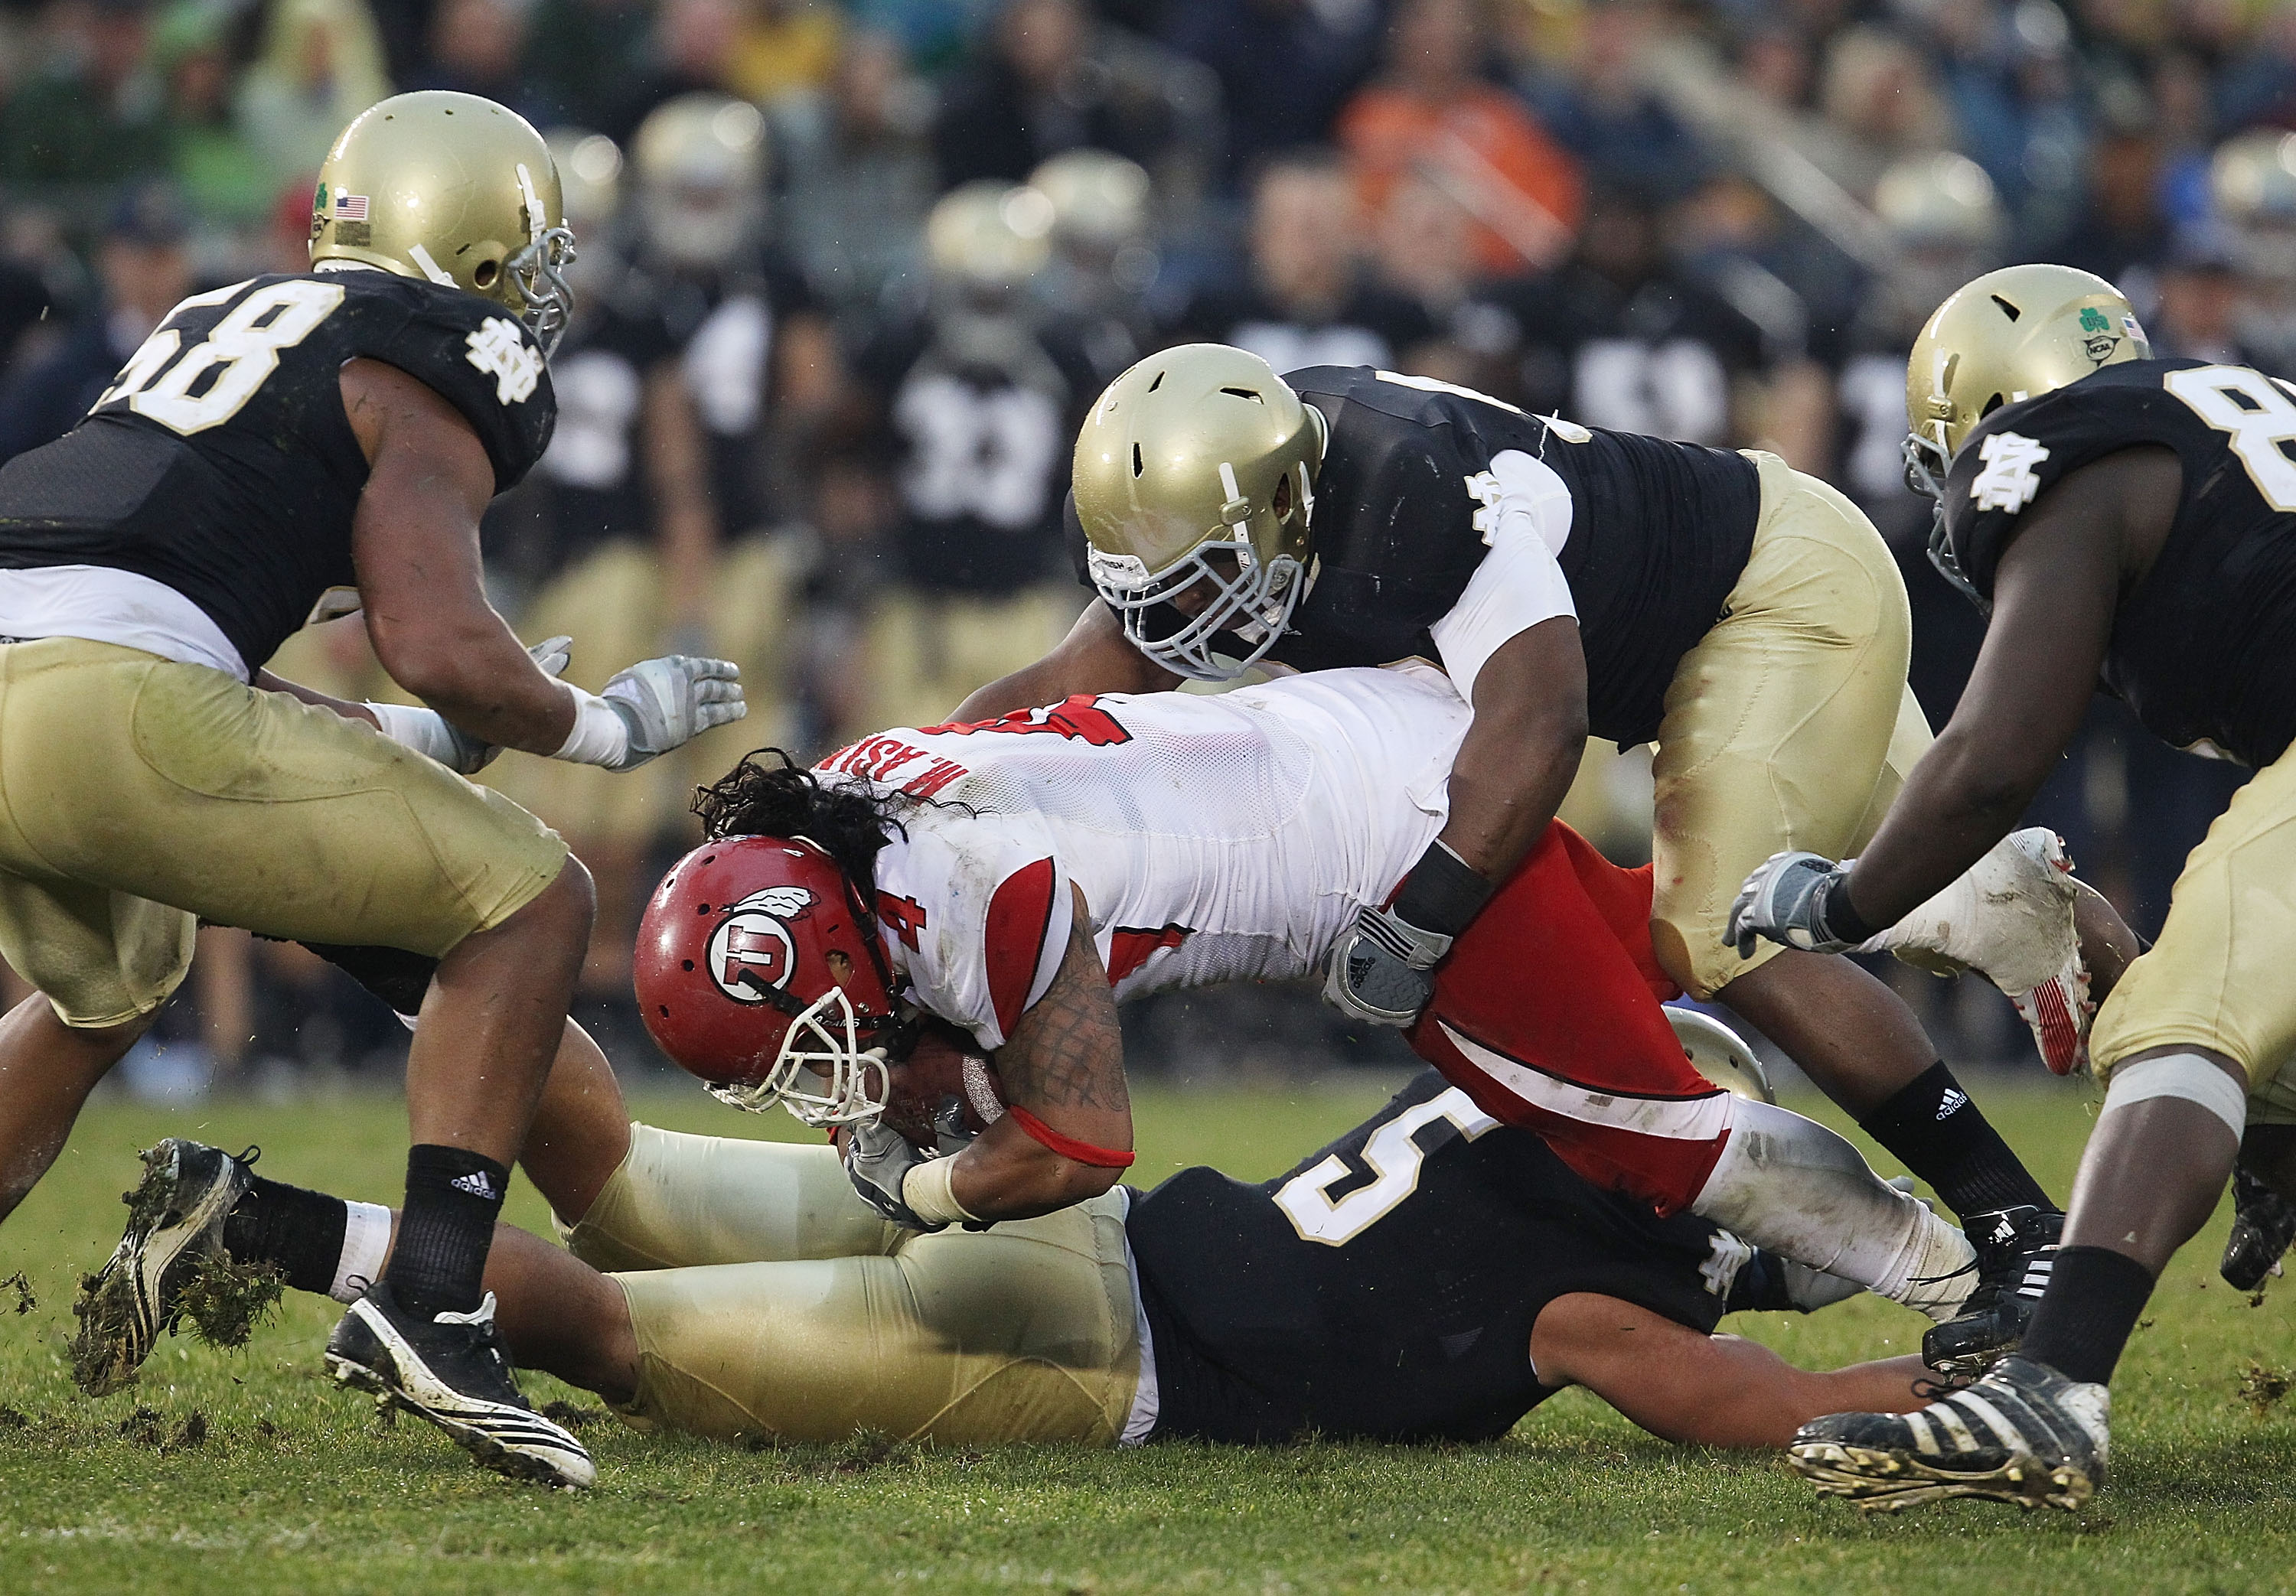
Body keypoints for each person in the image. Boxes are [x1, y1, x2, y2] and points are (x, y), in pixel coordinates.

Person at [955, 344, 2079, 1373]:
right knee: (1939, 899)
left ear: (1290, 504)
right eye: (1160, 582)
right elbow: (1067, 689)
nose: (1185, 617)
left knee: (1726, 929)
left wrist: (1423, 914)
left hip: (1767, 598)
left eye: (1209, 575)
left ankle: (2020, 1229)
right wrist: (887, 784)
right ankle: (2044, 925)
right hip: (1687, 626)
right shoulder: (1230, 496)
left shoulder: (1411, 495)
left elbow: (1538, 721)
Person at [0, 92, 744, 1491]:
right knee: (534, 901)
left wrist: (403, 733)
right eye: (531, 256)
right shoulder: (432, 355)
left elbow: (150, 614)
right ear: (469, 251)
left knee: (108, 990)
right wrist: (596, 722)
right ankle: (432, 1302)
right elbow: (444, 639)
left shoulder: (210, 320)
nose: (542, 288)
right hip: (116, 703)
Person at [657, 661, 2115, 1342]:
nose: (816, 1065)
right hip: (1361, 730)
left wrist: (930, 1194)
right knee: (1682, 934)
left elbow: (1081, 1141)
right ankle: (1962, 897)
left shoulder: (967, 891)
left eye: (807, 1037)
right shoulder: (848, 797)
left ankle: (1965, 1271)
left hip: (1391, 857)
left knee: (1640, 1133)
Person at [82, 1054, 1962, 1454]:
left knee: (613, 1160)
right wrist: (1965, 1377)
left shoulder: (1487, 1093)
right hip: (1094, 1357)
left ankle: (459, 950)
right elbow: (1762, 1408)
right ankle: (266, 1220)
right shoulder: (1592, 1289)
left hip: (1055, 1206)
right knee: (614, 1330)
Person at [1730, 261, 2296, 1510]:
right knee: (2254, 1040)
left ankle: (2052, 1391)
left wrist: (1844, 904)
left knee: (2170, 1019)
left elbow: (1991, 760)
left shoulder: (2067, 448)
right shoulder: (2227, 406)